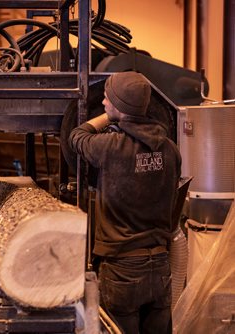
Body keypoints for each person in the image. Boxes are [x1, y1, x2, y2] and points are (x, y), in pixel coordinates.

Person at [68, 71, 181, 334]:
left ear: (119, 106)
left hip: (122, 270)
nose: (104, 104)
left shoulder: (109, 147)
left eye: (108, 100)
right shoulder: (170, 149)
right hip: (160, 266)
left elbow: (77, 135)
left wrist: (109, 116)